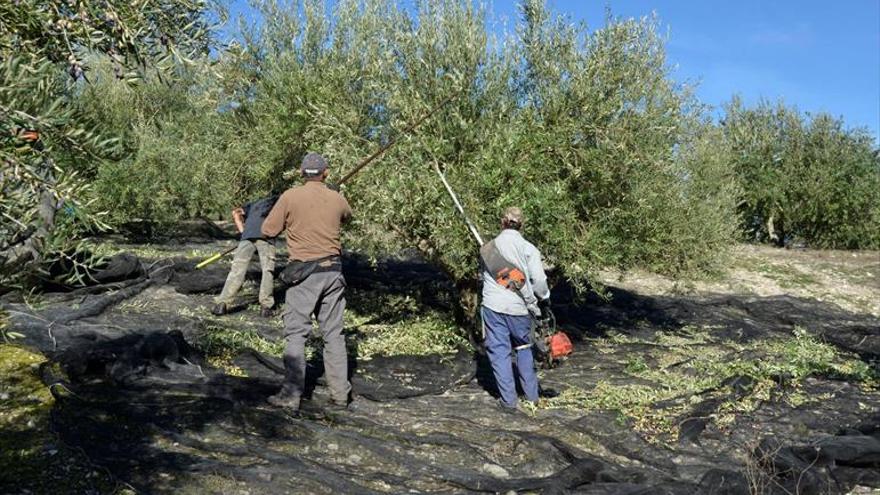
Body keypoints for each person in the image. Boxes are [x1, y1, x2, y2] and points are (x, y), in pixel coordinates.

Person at [261, 152, 353, 412]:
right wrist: (331, 196)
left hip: (303, 275)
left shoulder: (290, 196)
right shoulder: (337, 198)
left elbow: (268, 230)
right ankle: (340, 397)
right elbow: (347, 216)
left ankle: (291, 395)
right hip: (333, 273)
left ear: (302, 173)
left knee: (296, 334)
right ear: (325, 173)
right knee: (334, 335)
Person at [479, 207, 550, 411]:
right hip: (519, 308)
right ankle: (532, 397)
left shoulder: (488, 249)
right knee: (523, 348)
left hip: (493, 307)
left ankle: (508, 401)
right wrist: (544, 299)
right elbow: (539, 282)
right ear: (522, 225)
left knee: (500, 351)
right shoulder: (529, 249)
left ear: (502, 222)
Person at [212, 195, 279, 317]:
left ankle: (222, 304)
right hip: (266, 237)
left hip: (247, 237)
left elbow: (235, 212)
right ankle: (266, 307)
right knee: (267, 271)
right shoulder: (278, 199)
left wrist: (243, 231)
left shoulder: (254, 202)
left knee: (237, 270)